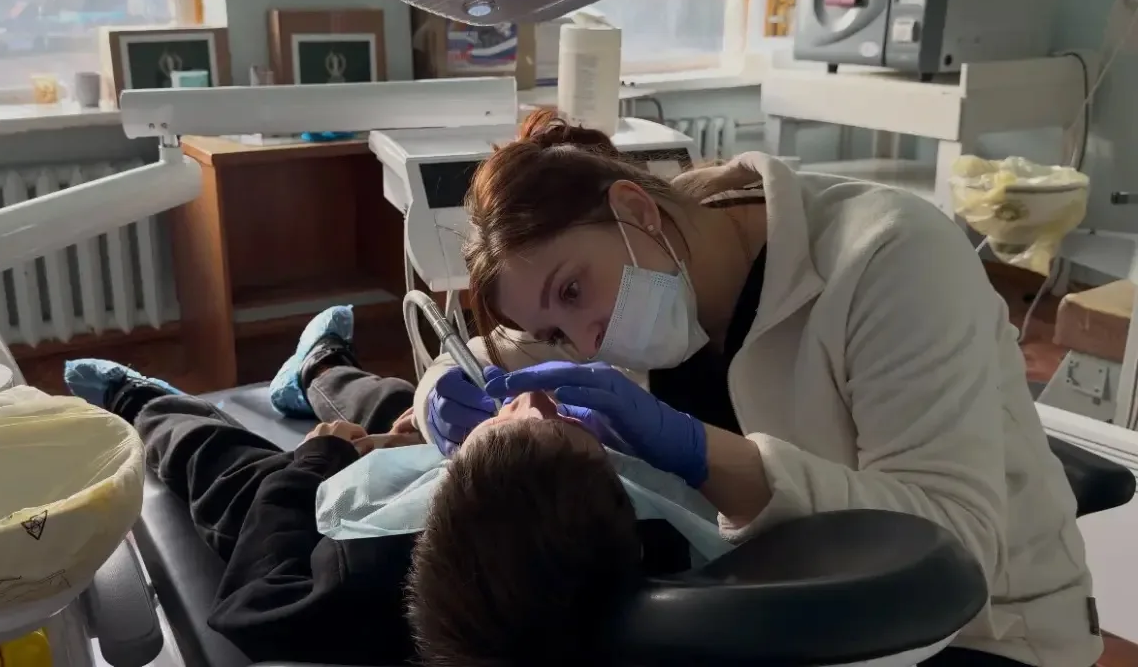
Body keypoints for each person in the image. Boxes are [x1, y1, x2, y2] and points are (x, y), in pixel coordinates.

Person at [417, 109, 1099, 666]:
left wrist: (705, 453)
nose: (588, 344)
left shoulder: (891, 258)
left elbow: (951, 555)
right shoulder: (633, 273)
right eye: (557, 333)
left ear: (636, 210)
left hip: (983, 630)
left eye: (571, 291)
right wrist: (442, 393)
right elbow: (486, 355)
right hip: (787, 608)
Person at [63, 307, 689, 666]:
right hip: (492, 494)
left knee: (227, 466)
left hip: (311, 515)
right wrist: (432, 434)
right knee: (409, 404)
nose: (535, 398)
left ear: (442, 495)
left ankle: (140, 399)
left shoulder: (353, 576)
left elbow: (248, 604)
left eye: (538, 419)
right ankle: (320, 368)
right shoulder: (654, 544)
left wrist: (316, 461)